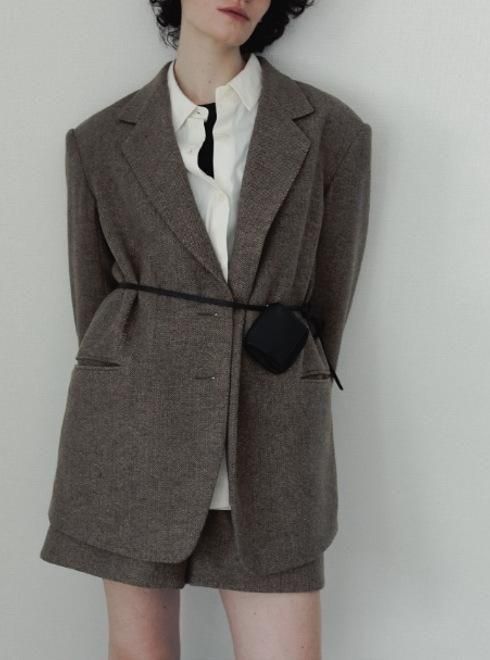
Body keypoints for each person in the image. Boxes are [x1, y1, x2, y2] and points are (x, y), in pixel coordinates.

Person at [40, 0, 373, 658]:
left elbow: (328, 301)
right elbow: (96, 311)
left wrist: (279, 376)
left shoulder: (333, 132)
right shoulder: (99, 141)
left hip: (272, 438)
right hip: (133, 432)